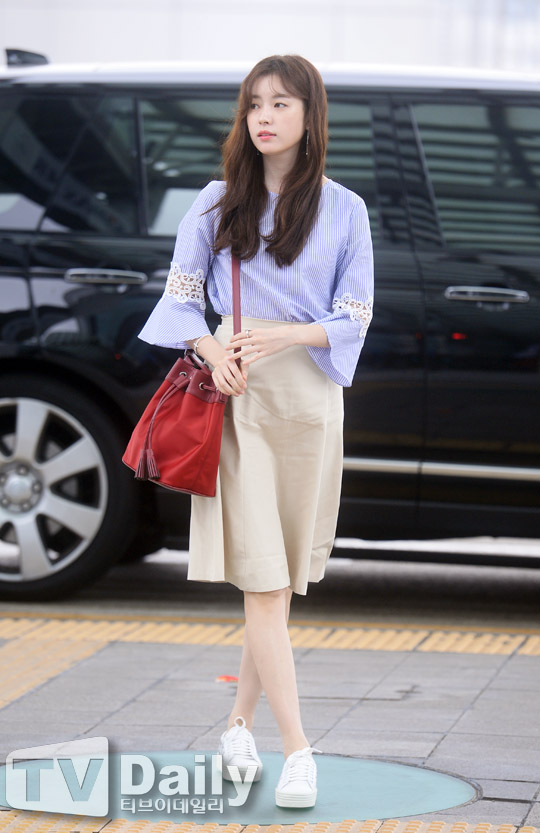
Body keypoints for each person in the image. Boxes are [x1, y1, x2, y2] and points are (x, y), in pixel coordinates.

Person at [138, 54, 374, 809]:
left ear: (310, 115)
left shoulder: (345, 208)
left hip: (309, 402)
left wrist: (287, 335)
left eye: (281, 103)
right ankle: (298, 750)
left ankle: (237, 725)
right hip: (238, 401)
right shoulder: (217, 201)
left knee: (278, 582)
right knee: (266, 584)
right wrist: (215, 352)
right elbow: (180, 302)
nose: (264, 117)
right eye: (254, 104)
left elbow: (356, 313)